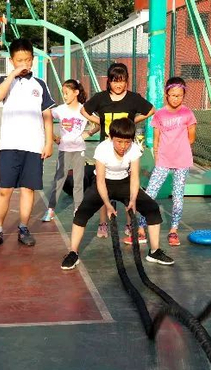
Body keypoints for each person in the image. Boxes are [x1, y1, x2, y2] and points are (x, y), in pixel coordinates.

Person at [60, 118, 174, 270]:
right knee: (81, 213)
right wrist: (108, 205)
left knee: (152, 208)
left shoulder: (134, 149)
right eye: (119, 141)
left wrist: (132, 200)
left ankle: (154, 251)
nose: (123, 146)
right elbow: (100, 181)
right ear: (111, 137)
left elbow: (134, 178)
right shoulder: (102, 149)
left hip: (124, 183)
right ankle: (73, 253)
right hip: (103, 183)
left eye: (127, 142)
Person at [0, 38, 55, 248]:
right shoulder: (5, 81)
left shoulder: (40, 84)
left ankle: (23, 228)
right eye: (19, 60)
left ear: (33, 59)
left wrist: (48, 142)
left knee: (28, 190)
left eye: (27, 60)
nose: (24, 64)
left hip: (33, 145)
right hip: (9, 145)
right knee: (4, 189)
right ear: (11, 61)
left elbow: (47, 115)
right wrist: (12, 75)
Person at [81, 62, 155, 239]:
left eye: (122, 80)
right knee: (103, 187)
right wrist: (99, 122)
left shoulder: (133, 98)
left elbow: (151, 110)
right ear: (109, 81)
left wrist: (132, 122)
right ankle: (103, 223)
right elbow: (84, 110)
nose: (118, 84)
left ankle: (130, 223)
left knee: (129, 187)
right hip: (107, 151)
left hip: (126, 151)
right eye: (115, 81)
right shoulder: (101, 98)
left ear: (127, 81)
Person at [132, 77, 196, 247]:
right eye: (173, 95)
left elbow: (191, 137)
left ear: (184, 95)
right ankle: (141, 227)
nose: (176, 98)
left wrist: (179, 148)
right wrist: (158, 156)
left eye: (179, 95)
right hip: (163, 160)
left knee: (178, 197)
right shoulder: (160, 114)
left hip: (182, 160)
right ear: (166, 94)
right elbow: (156, 139)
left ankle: (174, 230)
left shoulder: (188, 113)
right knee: (150, 194)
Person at [41, 79, 99, 222]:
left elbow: (99, 122)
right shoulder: (60, 109)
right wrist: (54, 137)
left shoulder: (84, 110)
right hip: (64, 149)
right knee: (59, 179)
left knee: (78, 180)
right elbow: (44, 118)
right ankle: (51, 210)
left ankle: (77, 209)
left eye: (67, 93)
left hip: (79, 149)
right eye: (63, 93)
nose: (64, 96)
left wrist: (88, 133)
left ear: (76, 92)